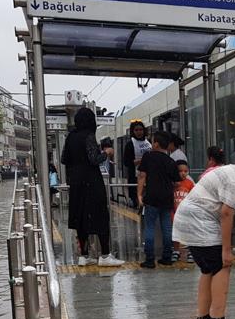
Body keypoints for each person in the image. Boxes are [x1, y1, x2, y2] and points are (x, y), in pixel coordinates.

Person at [173, 147, 235, 319]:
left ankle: (203, 318)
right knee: (222, 267)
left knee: (208, 269)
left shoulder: (229, 170)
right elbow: (226, 214)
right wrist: (226, 250)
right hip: (200, 221)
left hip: (187, 219)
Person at [61, 107, 125, 267]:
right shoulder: (88, 136)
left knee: (81, 218)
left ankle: (84, 256)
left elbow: (64, 159)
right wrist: (107, 153)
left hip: (76, 183)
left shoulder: (70, 137)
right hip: (91, 182)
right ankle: (104, 255)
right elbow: (94, 159)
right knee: (101, 216)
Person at [137, 131, 181, 268]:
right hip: (167, 198)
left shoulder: (148, 157)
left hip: (151, 197)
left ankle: (150, 260)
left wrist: (139, 194)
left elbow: (142, 176)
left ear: (155, 143)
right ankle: (167, 257)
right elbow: (177, 182)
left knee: (149, 227)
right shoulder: (170, 161)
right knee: (167, 227)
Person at [123, 120, 152, 208]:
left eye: (141, 129)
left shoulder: (149, 142)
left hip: (150, 175)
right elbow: (126, 162)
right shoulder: (130, 144)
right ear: (133, 131)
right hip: (135, 176)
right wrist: (141, 160)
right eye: (136, 130)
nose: (139, 132)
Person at [173, 159, 196, 263]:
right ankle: (176, 251)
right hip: (174, 213)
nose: (183, 173)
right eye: (180, 171)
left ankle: (191, 252)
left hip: (187, 214)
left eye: (185, 171)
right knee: (175, 234)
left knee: (189, 233)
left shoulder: (190, 184)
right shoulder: (172, 183)